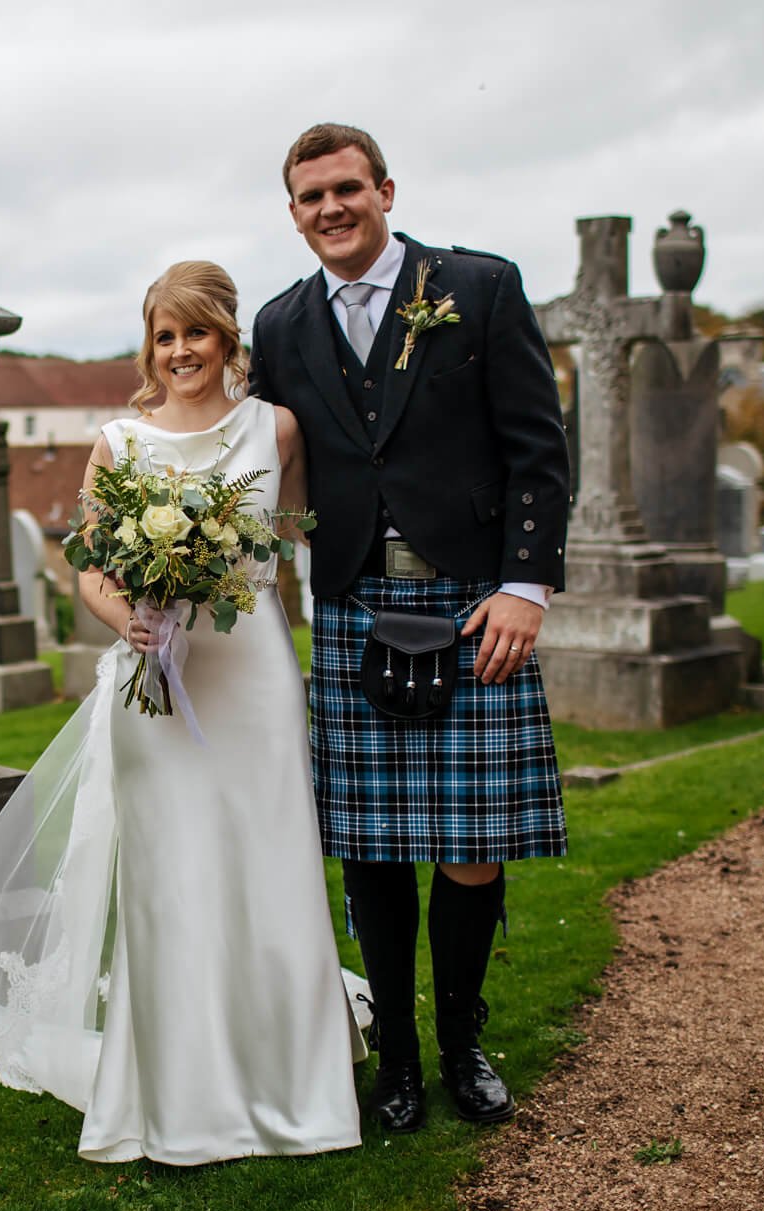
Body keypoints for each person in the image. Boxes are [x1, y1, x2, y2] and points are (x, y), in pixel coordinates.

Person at [0, 261, 362, 1165]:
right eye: (164, 336)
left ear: (227, 338)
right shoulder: (117, 442)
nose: (180, 352)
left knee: (268, 864)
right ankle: (179, 1097)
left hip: (251, 671)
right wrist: (127, 615)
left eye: (196, 333)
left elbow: (289, 540)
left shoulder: (277, 428)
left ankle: (295, 1087)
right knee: (172, 879)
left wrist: (229, 573)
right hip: (158, 684)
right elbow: (87, 564)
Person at [249, 123, 571, 1133]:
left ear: (384, 189)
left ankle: (461, 1039)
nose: (329, 209)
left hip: (473, 598)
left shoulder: (474, 287)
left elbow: (535, 446)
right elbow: (260, 460)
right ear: (292, 211)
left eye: (346, 189)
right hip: (354, 600)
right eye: (309, 197)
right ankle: (393, 1054)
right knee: (372, 846)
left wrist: (525, 583)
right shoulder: (279, 321)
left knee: (472, 841)